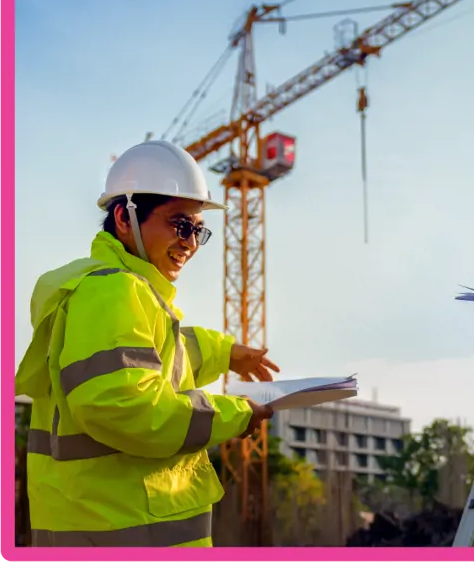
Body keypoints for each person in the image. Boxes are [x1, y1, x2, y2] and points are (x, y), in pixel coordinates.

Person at [14, 139, 280, 548]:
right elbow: (124, 405)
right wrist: (234, 413)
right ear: (124, 216)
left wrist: (223, 352)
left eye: (198, 230)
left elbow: (155, 356)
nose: (191, 243)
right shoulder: (112, 291)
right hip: (119, 533)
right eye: (180, 224)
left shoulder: (129, 292)